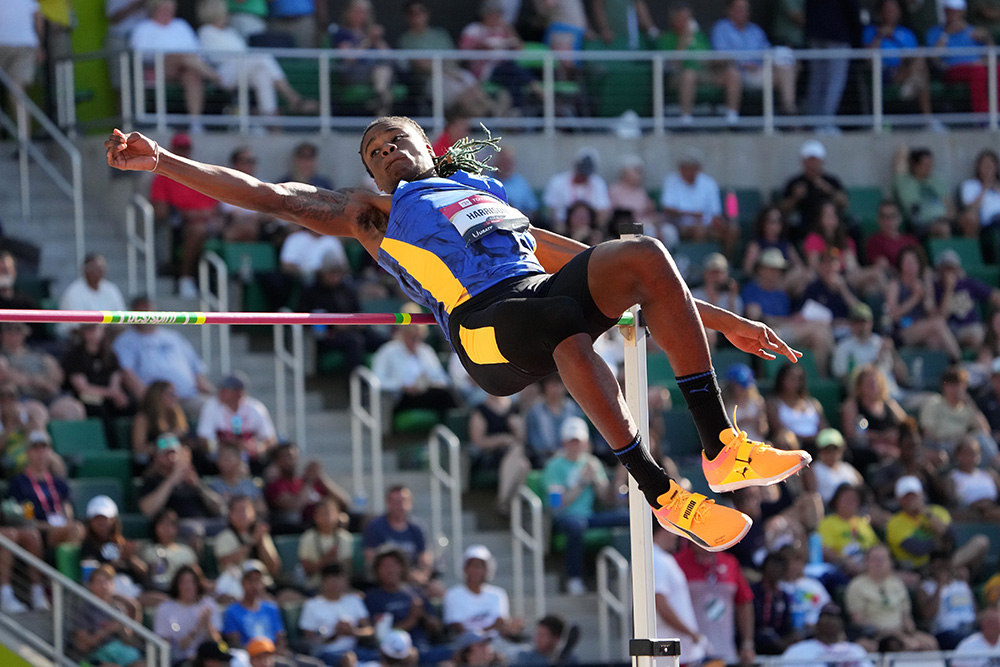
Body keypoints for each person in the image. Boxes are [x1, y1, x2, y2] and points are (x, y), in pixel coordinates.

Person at [106, 114, 812, 553]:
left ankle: (721, 447)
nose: (385, 151)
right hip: (482, 334)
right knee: (558, 320)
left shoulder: (486, 194)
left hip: (535, 299)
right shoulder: (371, 213)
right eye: (373, 150)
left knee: (644, 255)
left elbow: (587, 263)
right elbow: (267, 196)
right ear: (369, 171)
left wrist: (724, 321)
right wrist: (165, 162)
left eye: (396, 140)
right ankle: (661, 491)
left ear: (425, 145)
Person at [196, 2, 318, 121]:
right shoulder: (206, 31)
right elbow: (215, 58)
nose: (227, 14)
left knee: (262, 75)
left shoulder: (229, 32)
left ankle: (271, 123)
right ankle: (294, 99)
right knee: (262, 56)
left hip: (241, 68)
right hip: (223, 75)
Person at [113, 295, 215, 419]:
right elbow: (127, 375)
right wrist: (150, 399)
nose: (147, 316)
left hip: (188, 397)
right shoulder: (125, 341)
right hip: (156, 401)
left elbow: (197, 370)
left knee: (216, 408)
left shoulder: (173, 337)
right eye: (142, 312)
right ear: (133, 314)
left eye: (149, 311)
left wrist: (211, 392)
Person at [129, 0, 222, 134]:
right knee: (177, 56)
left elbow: (196, 51)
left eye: (170, 8)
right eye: (164, 8)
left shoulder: (181, 25)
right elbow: (139, 55)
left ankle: (195, 123)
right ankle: (215, 77)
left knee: (192, 76)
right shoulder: (143, 28)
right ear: (155, 8)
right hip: (156, 69)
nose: (168, 11)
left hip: (185, 69)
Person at [148, 133, 222, 298]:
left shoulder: (200, 173)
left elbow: (216, 204)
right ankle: (185, 278)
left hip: (211, 221)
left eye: (186, 148)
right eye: (180, 148)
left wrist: (207, 214)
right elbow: (160, 210)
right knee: (197, 229)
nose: (183, 152)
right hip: (182, 225)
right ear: (173, 149)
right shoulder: (162, 177)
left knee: (244, 228)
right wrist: (184, 213)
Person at [710, 0, 798, 124]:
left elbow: (767, 52)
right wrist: (744, 64)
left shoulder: (755, 30)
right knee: (733, 73)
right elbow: (720, 56)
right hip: (733, 73)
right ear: (729, 11)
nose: (744, 13)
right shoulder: (721, 28)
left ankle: (790, 113)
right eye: (739, 9)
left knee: (786, 67)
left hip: (758, 72)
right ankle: (732, 120)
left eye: (746, 9)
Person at [887, 474, 989, 574]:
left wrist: (925, 513)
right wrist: (938, 540)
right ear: (899, 500)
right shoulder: (895, 522)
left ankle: (948, 570)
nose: (911, 500)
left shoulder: (936, 511)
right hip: (921, 567)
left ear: (921, 494)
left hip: (948, 559)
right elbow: (918, 550)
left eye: (914, 496)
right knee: (960, 572)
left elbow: (951, 535)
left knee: (981, 541)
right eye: (906, 497)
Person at [843, 544, 938, 651]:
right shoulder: (856, 585)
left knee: (929, 643)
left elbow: (906, 617)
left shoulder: (897, 584)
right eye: (874, 559)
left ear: (890, 562)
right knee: (892, 644)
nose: (879, 563)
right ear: (866, 562)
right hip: (874, 635)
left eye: (883, 559)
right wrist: (889, 632)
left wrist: (909, 629)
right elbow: (858, 620)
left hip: (901, 632)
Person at [675, 541, 756, 665]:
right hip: (689, 655)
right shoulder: (677, 562)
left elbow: (744, 602)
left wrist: (747, 643)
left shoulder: (730, 562)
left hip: (725, 653)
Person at [863, 0, 939, 128]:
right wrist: (880, 36)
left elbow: (913, 54)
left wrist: (896, 39)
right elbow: (868, 57)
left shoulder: (906, 32)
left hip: (906, 68)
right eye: (887, 10)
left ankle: (912, 90)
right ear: (880, 12)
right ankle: (928, 119)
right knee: (920, 76)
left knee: (920, 65)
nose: (890, 13)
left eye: (893, 10)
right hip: (883, 72)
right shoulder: (871, 31)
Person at [658, 3, 733, 127]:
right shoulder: (667, 37)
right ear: (674, 19)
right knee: (689, 75)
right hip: (678, 76)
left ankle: (732, 117)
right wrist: (684, 39)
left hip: (704, 72)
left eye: (689, 18)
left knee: (732, 74)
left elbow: (708, 57)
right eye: (683, 18)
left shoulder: (699, 36)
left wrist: (719, 59)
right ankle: (686, 118)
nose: (687, 22)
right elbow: (674, 64)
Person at [8, 431, 85, 550]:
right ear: (27, 452)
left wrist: (65, 523)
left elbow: (67, 509)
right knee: (75, 529)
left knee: (78, 529)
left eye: (44, 449)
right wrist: (49, 527)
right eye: (35, 449)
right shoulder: (19, 482)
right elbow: (25, 519)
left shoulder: (58, 482)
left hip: (61, 529)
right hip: (37, 532)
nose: (40, 454)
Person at [370, 318, 458, 419]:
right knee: (444, 396)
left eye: (419, 337)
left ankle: (453, 429)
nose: (416, 341)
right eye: (412, 337)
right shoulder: (387, 351)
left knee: (447, 395)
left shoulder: (426, 351)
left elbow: (443, 379)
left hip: (426, 393)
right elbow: (377, 380)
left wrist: (430, 383)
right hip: (400, 397)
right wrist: (402, 386)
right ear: (403, 334)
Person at [886, 247, 962, 360]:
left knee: (937, 342)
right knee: (938, 324)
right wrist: (915, 298)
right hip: (902, 331)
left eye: (914, 262)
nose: (911, 266)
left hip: (923, 329)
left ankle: (947, 374)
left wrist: (926, 295)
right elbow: (892, 315)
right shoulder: (895, 285)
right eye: (908, 262)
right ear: (901, 265)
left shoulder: (923, 285)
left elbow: (936, 315)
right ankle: (959, 361)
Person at [62, 323, 134, 442]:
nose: (94, 333)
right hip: (86, 396)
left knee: (131, 403)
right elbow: (82, 388)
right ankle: (109, 446)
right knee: (99, 408)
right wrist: (111, 394)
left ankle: (131, 447)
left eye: (96, 329)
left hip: (108, 394)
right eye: (90, 329)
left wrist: (117, 394)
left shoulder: (109, 354)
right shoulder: (75, 355)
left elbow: (115, 378)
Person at [0, 322, 85, 421]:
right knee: (37, 412)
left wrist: (49, 382)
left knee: (73, 409)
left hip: (48, 396)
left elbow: (57, 374)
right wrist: (36, 381)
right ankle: (39, 436)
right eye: (9, 330)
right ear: (2, 334)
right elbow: (6, 374)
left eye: (18, 330)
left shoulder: (38, 354)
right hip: (22, 398)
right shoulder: (2, 357)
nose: (14, 334)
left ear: (25, 333)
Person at [660, 149, 737, 255]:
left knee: (733, 230)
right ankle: (699, 263)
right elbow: (667, 208)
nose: (688, 171)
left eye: (691, 168)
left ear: (698, 169)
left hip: (707, 224)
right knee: (699, 231)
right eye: (685, 168)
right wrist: (692, 214)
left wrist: (718, 222)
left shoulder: (709, 183)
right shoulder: (671, 180)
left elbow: (715, 212)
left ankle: (725, 261)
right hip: (682, 225)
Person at [196, 373, 277, 474]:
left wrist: (259, 447)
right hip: (220, 455)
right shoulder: (212, 406)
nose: (220, 392)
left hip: (251, 457)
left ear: (239, 393)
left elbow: (270, 438)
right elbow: (204, 439)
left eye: (226, 390)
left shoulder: (255, 408)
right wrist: (230, 446)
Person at [927, 0, 995, 117]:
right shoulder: (935, 32)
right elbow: (934, 59)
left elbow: (991, 53)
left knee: (996, 68)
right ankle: (983, 119)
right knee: (977, 70)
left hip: (977, 67)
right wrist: (946, 34)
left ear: (962, 12)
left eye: (955, 11)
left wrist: (987, 38)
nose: (952, 14)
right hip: (951, 70)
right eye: (949, 11)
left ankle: (997, 115)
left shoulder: (973, 31)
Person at [265, 442, 350, 533]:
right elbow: (294, 507)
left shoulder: (308, 481)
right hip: (304, 527)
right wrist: (309, 481)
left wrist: (321, 478)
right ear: (277, 461)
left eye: (294, 456)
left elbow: (344, 502)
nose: (291, 460)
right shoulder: (276, 485)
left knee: (359, 519)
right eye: (287, 457)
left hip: (328, 522)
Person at [651, 524, 705, 665]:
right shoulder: (656, 559)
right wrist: (691, 633)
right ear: (663, 528)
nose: (677, 537)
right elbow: (659, 602)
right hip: (670, 651)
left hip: (676, 651)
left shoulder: (660, 557)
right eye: (674, 531)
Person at [299, 563, 374, 666]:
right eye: (331, 580)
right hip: (325, 653)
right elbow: (310, 641)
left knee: (388, 656)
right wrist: (335, 634)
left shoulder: (354, 600)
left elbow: (369, 630)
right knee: (347, 659)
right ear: (323, 582)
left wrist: (353, 632)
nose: (335, 584)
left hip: (355, 650)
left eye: (339, 579)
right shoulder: (312, 605)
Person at [330, 0, 396, 118]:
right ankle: (381, 99)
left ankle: (380, 101)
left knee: (384, 69)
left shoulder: (370, 33)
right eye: (357, 11)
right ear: (348, 12)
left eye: (364, 12)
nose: (361, 14)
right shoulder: (341, 33)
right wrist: (368, 40)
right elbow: (349, 58)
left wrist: (378, 40)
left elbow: (387, 55)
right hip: (353, 73)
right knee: (384, 82)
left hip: (377, 75)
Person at [804, 0, 862, 133]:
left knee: (818, 79)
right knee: (834, 80)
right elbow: (852, 9)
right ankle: (825, 122)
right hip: (837, 34)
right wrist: (857, 35)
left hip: (816, 32)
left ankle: (815, 122)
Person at [443, 545, 523, 640]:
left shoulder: (498, 594)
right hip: (466, 647)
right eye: (472, 566)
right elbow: (458, 629)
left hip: (496, 644)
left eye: (480, 566)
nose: (476, 570)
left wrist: (512, 627)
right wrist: (490, 629)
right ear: (465, 568)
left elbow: (502, 626)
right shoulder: (453, 595)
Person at [72, 564, 143, 667]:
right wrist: (108, 629)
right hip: (94, 658)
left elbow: (129, 641)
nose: (104, 586)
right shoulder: (85, 611)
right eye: (100, 582)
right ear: (91, 586)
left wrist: (125, 627)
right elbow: (83, 646)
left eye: (108, 581)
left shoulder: (117, 608)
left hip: (120, 653)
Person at [362, 485, 434, 586]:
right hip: (384, 581)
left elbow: (424, 556)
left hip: (413, 579)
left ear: (410, 503)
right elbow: (370, 557)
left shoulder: (418, 527)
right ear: (388, 503)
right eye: (395, 501)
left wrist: (423, 575)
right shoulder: (375, 527)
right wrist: (399, 574)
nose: (400, 505)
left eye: (403, 501)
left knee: (437, 589)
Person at [919, 366, 995, 460]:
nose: (955, 389)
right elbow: (928, 435)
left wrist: (971, 404)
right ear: (944, 386)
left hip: (961, 447)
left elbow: (984, 430)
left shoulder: (966, 407)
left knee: (982, 440)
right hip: (939, 446)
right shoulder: (934, 402)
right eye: (951, 385)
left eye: (959, 384)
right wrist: (954, 438)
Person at [779, 140, 849, 242]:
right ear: (803, 162)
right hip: (806, 223)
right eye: (809, 161)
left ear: (822, 162)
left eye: (815, 161)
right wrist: (795, 197)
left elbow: (844, 203)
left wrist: (830, 191)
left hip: (830, 222)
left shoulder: (832, 181)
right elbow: (782, 209)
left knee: (852, 228)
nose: (812, 164)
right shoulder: (795, 182)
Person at [153, 565, 222, 663]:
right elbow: (171, 650)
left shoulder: (209, 604)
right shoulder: (165, 609)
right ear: (177, 584)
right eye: (184, 582)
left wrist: (207, 624)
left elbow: (217, 642)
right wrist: (197, 629)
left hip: (208, 660)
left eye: (192, 582)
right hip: (181, 661)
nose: (188, 587)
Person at [935, 250, 1000, 352]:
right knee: (978, 336)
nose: (950, 273)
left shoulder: (967, 283)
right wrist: (949, 289)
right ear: (940, 270)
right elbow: (941, 318)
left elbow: (995, 296)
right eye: (947, 269)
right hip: (953, 329)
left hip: (974, 326)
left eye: (953, 268)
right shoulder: (936, 289)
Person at [841, 365, 906, 465]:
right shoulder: (852, 405)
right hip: (868, 450)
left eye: (876, 383)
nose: (874, 387)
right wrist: (881, 436)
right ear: (860, 386)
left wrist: (896, 434)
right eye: (869, 384)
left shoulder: (889, 403)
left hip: (893, 447)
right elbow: (851, 435)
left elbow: (907, 425)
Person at [916, 549, 978, 649]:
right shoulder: (926, 587)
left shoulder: (961, 584)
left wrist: (966, 584)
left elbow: (974, 611)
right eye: (940, 566)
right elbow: (927, 615)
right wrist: (940, 586)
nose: (943, 569)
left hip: (971, 629)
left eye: (946, 565)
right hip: (946, 633)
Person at [56, 254, 126, 338]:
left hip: (108, 338)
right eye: (95, 268)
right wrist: (96, 331)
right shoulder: (73, 292)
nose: (100, 272)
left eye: (102, 268)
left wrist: (104, 331)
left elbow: (121, 319)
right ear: (85, 270)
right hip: (76, 339)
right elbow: (75, 327)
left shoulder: (111, 289)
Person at [780, 603, 873, 666]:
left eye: (834, 618)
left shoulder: (856, 650)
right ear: (817, 624)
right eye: (825, 618)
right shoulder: (797, 651)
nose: (829, 622)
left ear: (841, 624)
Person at [542, 147, 612, 230]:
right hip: (563, 225)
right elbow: (550, 208)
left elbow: (603, 209)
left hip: (590, 226)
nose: (583, 175)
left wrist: (596, 228)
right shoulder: (557, 181)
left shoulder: (598, 183)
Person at [222, 560, 286, 649]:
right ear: (242, 582)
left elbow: (280, 638)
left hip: (272, 655)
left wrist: (276, 651)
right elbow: (235, 643)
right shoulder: (231, 612)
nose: (255, 585)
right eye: (250, 580)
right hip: (250, 657)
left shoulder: (271, 608)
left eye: (258, 580)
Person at [893, 146, 955, 238]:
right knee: (943, 228)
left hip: (943, 220)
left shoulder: (938, 181)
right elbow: (901, 152)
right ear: (914, 165)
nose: (930, 168)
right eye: (925, 165)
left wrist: (948, 217)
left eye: (931, 164)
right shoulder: (904, 182)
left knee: (968, 220)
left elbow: (949, 205)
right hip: (919, 224)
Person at [214, 495, 281, 577]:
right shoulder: (223, 537)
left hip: (262, 584)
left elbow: (274, 567)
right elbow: (225, 563)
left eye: (245, 510)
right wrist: (252, 542)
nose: (242, 514)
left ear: (253, 513)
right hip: (235, 584)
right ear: (230, 514)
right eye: (237, 510)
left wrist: (261, 542)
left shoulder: (260, 535)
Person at [524, 375, 583, 468]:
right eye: (552, 383)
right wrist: (555, 454)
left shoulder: (574, 409)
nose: (556, 388)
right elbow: (534, 443)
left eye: (560, 383)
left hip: (571, 457)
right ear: (545, 386)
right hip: (543, 459)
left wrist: (566, 453)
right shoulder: (535, 411)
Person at [298, 495, 355, 592]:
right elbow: (307, 571)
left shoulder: (345, 538)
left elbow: (348, 570)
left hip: (341, 590)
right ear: (315, 516)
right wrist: (325, 559)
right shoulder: (307, 538)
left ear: (338, 515)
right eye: (322, 514)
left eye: (330, 513)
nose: (327, 517)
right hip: (314, 588)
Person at [140, 509, 198, 594]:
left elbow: (194, 575)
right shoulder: (147, 550)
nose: (166, 528)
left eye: (171, 524)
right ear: (155, 526)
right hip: (156, 591)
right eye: (163, 523)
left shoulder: (187, 552)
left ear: (177, 528)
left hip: (182, 593)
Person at [752, 552, 800, 655]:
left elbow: (787, 625)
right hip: (756, 639)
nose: (776, 570)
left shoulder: (784, 596)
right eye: (773, 566)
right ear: (765, 568)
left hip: (778, 639)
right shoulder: (753, 592)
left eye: (780, 567)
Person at [949, 436, 1000, 520]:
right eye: (966, 453)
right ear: (958, 455)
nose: (971, 457)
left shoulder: (990, 474)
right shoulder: (952, 477)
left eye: (974, 453)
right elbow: (952, 501)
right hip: (968, 516)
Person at [209, 441, 267, 514]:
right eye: (221, 458)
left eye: (228, 458)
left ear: (239, 460)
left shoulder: (251, 484)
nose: (223, 462)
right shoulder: (213, 486)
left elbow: (262, 508)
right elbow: (215, 509)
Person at [864, 199, 919, 272]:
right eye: (883, 217)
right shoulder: (874, 241)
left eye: (892, 216)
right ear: (878, 220)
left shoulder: (911, 240)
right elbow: (883, 267)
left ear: (900, 218)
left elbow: (921, 263)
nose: (888, 221)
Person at [959, 149, 1000, 234]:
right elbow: (970, 209)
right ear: (978, 167)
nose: (988, 169)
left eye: (991, 166)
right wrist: (985, 189)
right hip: (989, 222)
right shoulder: (970, 185)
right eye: (985, 166)